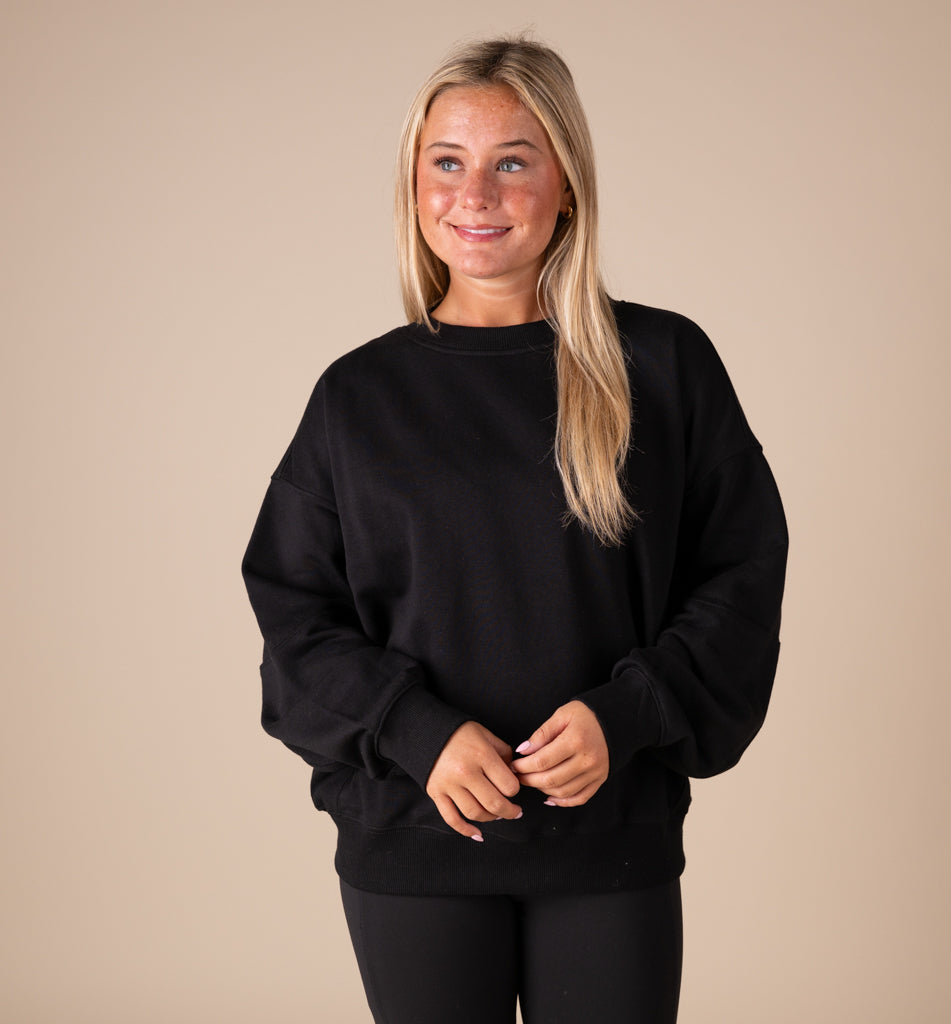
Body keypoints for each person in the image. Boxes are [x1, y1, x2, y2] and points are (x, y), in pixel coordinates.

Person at [242, 35, 787, 1024]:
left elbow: (740, 573)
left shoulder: (661, 366)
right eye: (446, 161)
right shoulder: (358, 395)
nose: (475, 192)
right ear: (414, 185)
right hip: (412, 837)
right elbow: (294, 610)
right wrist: (418, 731)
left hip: (606, 832)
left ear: (567, 184)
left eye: (512, 160)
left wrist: (625, 715)